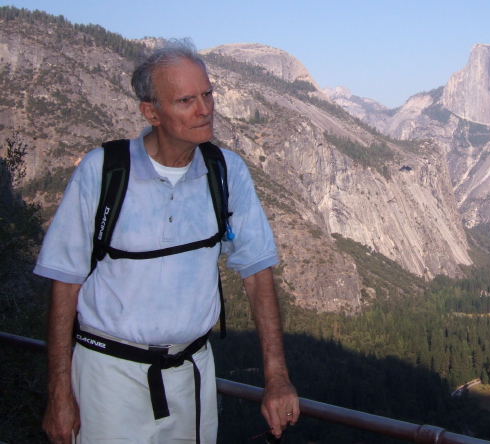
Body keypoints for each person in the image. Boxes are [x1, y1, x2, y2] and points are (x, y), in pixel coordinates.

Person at [34, 39, 299, 443]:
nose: (205, 109)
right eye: (186, 100)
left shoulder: (227, 172)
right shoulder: (102, 172)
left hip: (191, 378)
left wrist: (277, 378)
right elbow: (64, 284)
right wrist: (59, 392)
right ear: (151, 112)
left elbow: (257, 273)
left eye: (208, 94)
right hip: (108, 381)